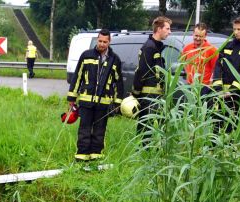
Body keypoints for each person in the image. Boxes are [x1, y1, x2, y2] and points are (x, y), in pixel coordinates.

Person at [67, 28, 124, 162]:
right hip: (86, 101)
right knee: (84, 129)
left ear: (109, 42)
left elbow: (119, 82)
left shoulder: (115, 60)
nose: (102, 44)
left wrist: (117, 102)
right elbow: (77, 76)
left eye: (105, 42)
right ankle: (81, 155)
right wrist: (72, 98)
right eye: (100, 41)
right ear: (97, 40)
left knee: (100, 130)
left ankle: (96, 155)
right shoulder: (86, 55)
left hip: (103, 102)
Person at [212, 16, 240, 131]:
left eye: (239, 29)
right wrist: (218, 89)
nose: (235, 32)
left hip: (239, 96)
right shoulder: (227, 46)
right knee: (217, 128)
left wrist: (231, 92)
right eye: (234, 29)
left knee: (233, 128)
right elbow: (218, 67)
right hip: (221, 94)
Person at [132, 16, 172, 145]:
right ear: (159, 29)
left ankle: (152, 152)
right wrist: (136, 93)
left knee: (155, 125)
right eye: (167, 28)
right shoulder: (149, 47)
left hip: (156, 95)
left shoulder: (156, 47)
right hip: (149, 96)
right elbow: (141, 71)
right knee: (146, 126)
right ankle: (144, 152)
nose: (169, 32)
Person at [181, 23, 219, 91]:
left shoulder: (212, 50)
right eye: (196, 35)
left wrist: (210, 85)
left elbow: (216, 70)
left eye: (201, 36)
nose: (198, 38)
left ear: (205, 36)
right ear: (193, 34)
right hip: (190, 86)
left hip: (204, 87)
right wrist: (188, 73)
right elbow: (183, 62)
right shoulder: (187, 48)